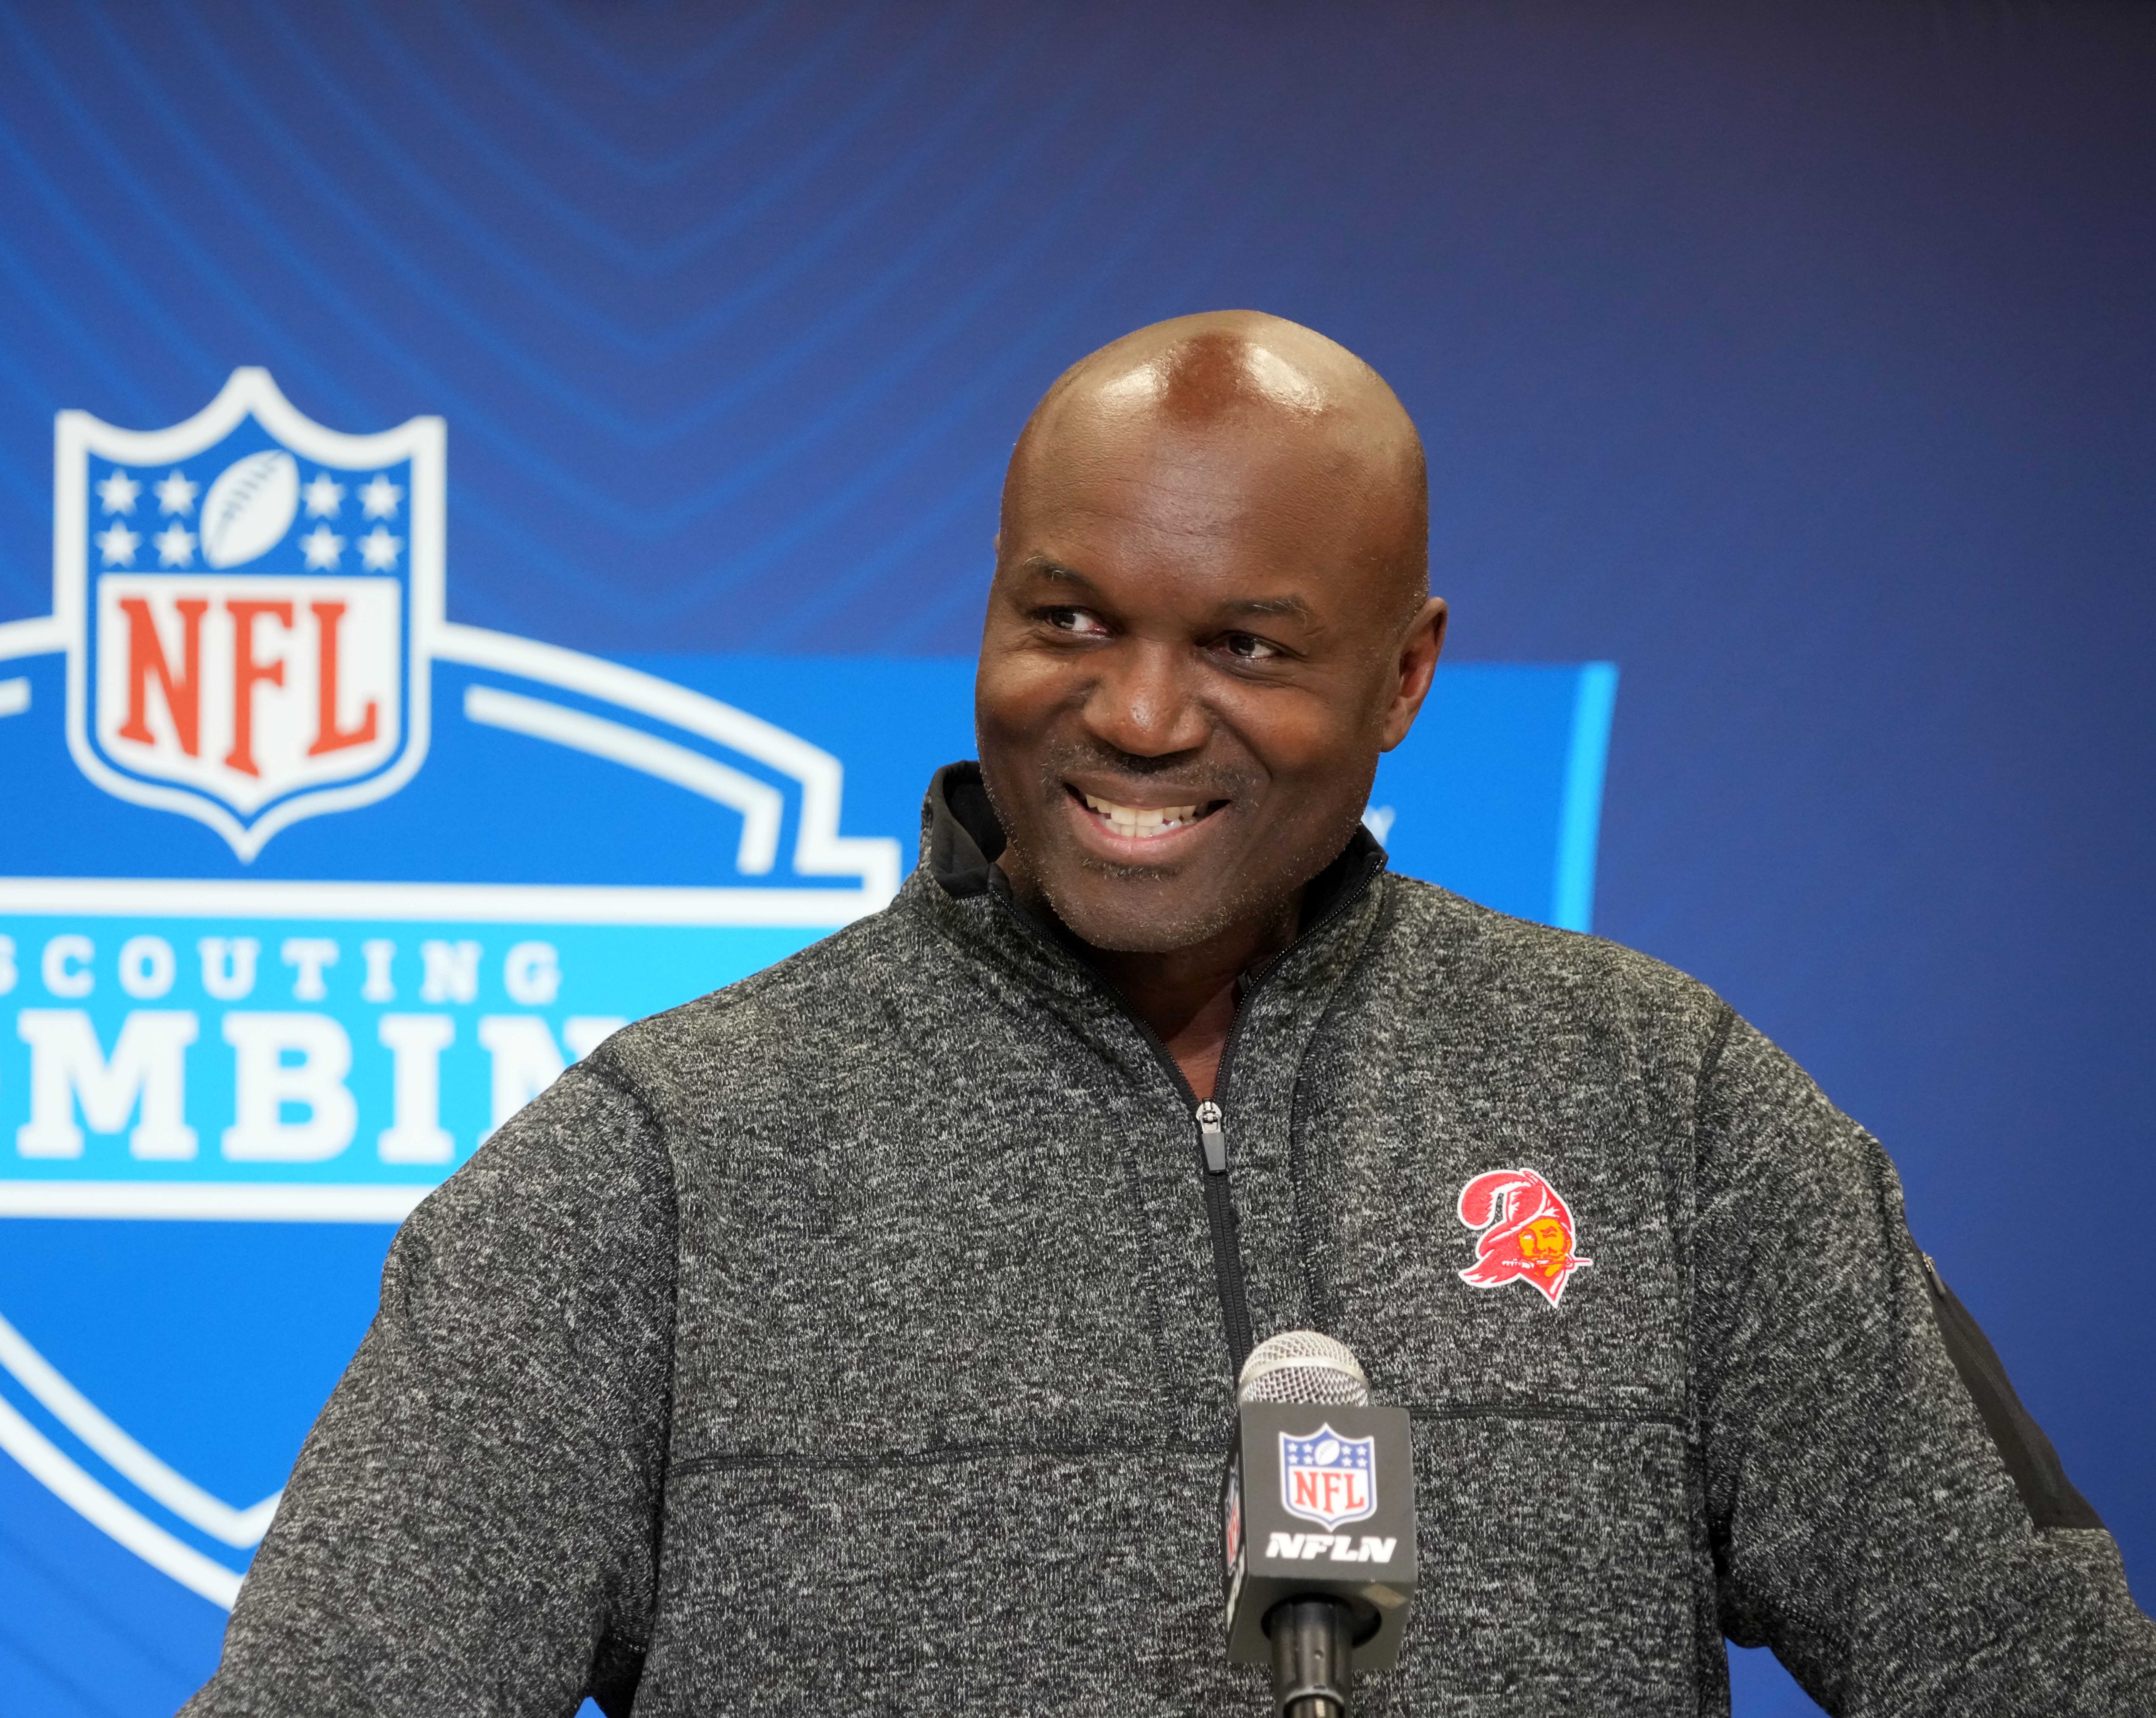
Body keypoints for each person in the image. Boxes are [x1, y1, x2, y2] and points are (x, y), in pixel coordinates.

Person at [182, 312, 2155, 1715]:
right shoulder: (662, 1166)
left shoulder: (1668, 1109)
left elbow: (2031, 1664)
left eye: (1245, 647)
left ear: (1405, 677)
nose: (1133, 715)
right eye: (1069, 621)